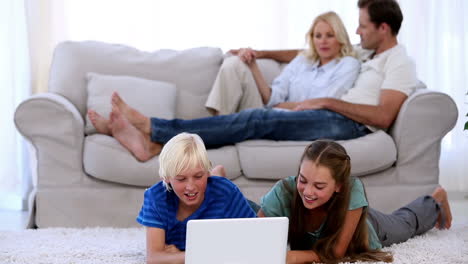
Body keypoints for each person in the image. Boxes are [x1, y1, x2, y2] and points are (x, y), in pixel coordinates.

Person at [88, 0, 419, 162]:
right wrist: (260, 53)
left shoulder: (398, 60)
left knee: (258, 118)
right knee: (255, 118)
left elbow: (383, 117)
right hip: (333, 117)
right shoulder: (367, 53)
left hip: (348, 125)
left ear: (384, 28)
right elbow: (308, 52)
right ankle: (157, 144)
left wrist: (327, 101)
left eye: (363, 25)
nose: (358, 31)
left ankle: (153, 129)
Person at [258, 140, 452, 263]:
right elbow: (256, 234)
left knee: (406, 224)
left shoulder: (352, 189)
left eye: (319, 186)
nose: (307, 191)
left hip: (368, 228)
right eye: (302, 180)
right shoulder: (283, 191)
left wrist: (291, 257)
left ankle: (436, 199)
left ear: (339, 186)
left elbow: (336, 252)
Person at [205, 11, 360, 115]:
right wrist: (253, 65)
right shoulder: (303, 60)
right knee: (235, 63)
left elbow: (321, 105)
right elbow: (272, 98)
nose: (323, 41)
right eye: (318, 36)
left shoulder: (348, 64)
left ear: (340, 38)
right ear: (312, 38)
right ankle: (217, 123)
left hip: (294, 122)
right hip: (268, 113)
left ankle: (218, 129)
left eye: (330, 35)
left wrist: (280, 106)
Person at [136, 132, 256, 264]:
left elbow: (251, 243)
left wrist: (181, 256)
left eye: (198, 176)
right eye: (181, 179)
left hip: (221, 196)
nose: (191, 187)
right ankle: (216, 174)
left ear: (207, 172)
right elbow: (154, 258)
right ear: (166, 177)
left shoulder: (226, 191)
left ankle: (218, 175)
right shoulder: (155, 197)